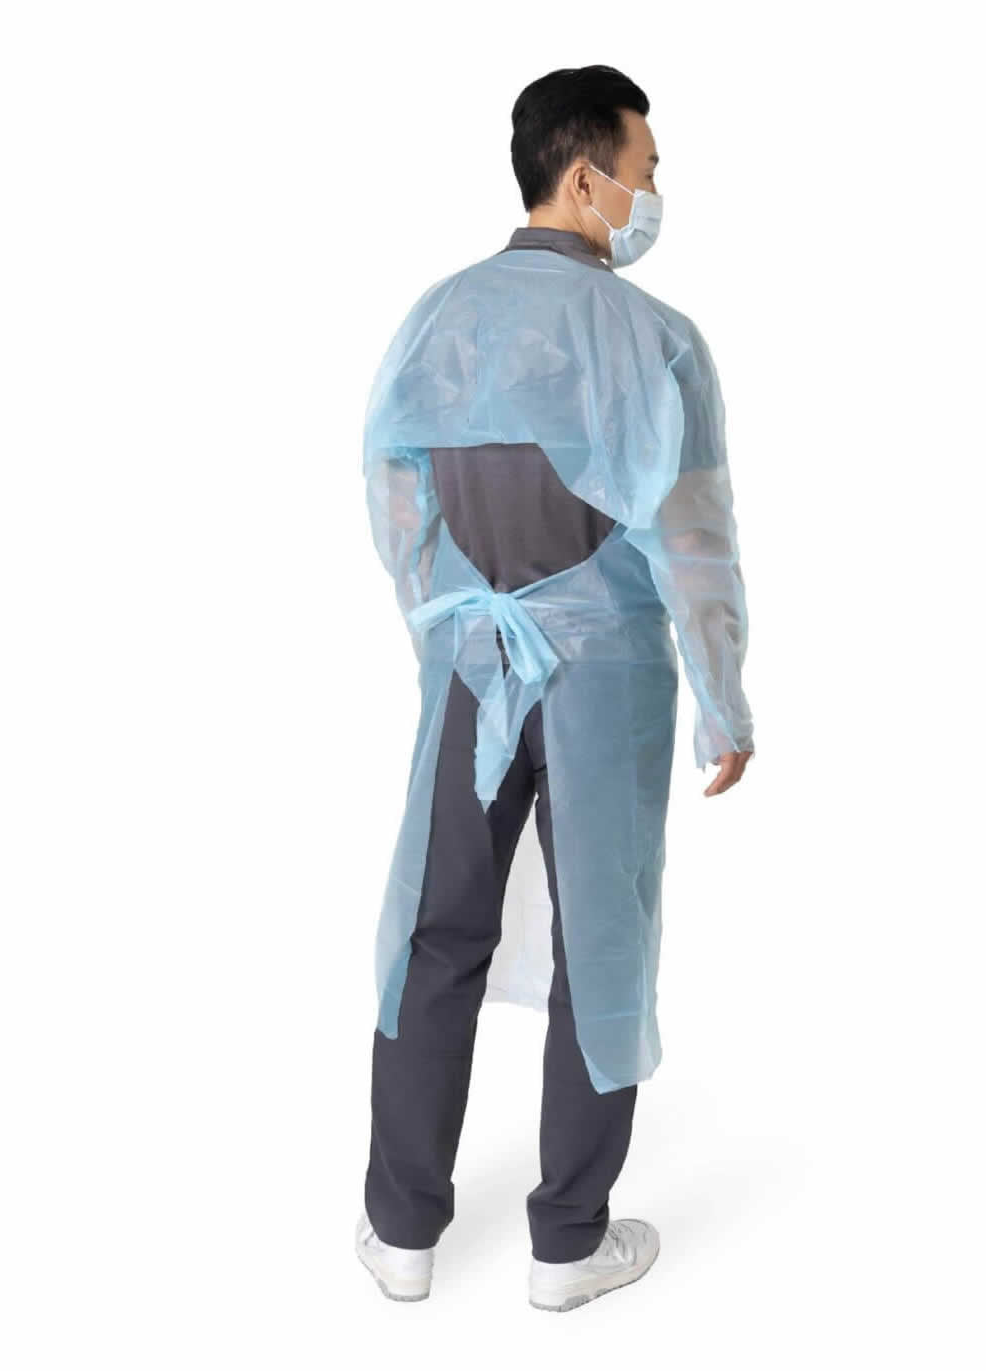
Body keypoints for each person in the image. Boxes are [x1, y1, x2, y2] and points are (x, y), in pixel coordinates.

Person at [355, 64, 754, 1312]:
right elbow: (695, 543)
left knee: (435, 930)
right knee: (602, 941)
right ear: (585, 178)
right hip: (610, 683)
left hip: (472, 666)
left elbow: (395, 492)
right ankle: (568, 1246)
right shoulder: (655, 339)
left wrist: (449, 628)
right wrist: (724, 699)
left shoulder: (438, 317)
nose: (654, 191)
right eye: (645, 170)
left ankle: (400, 1232)